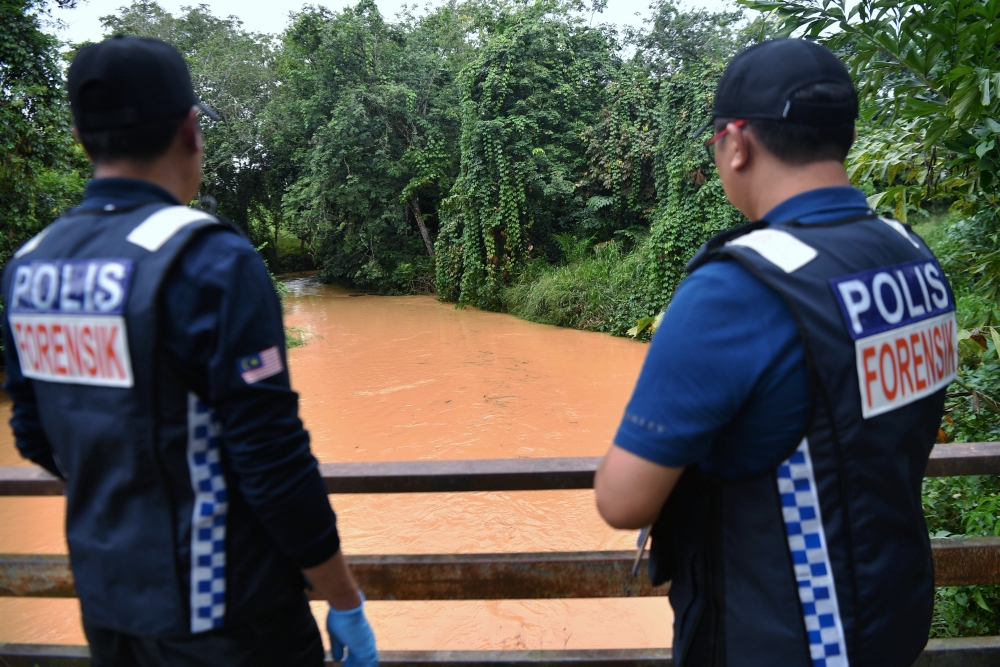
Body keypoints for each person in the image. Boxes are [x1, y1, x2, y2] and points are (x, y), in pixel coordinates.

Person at [1, 36, 377, 667]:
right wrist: (344, 600)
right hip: (230, 617)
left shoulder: (29, 266)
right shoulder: (209, 260)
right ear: (190, 129)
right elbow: (273, 460)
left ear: (81, 137)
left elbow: (36, 435)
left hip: (110, 606)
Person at [594, 39, 956, 667]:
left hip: (790, 641)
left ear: (737, 142)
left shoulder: (739, 289)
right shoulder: (912, 257)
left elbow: (622, 500)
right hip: (893, 623)